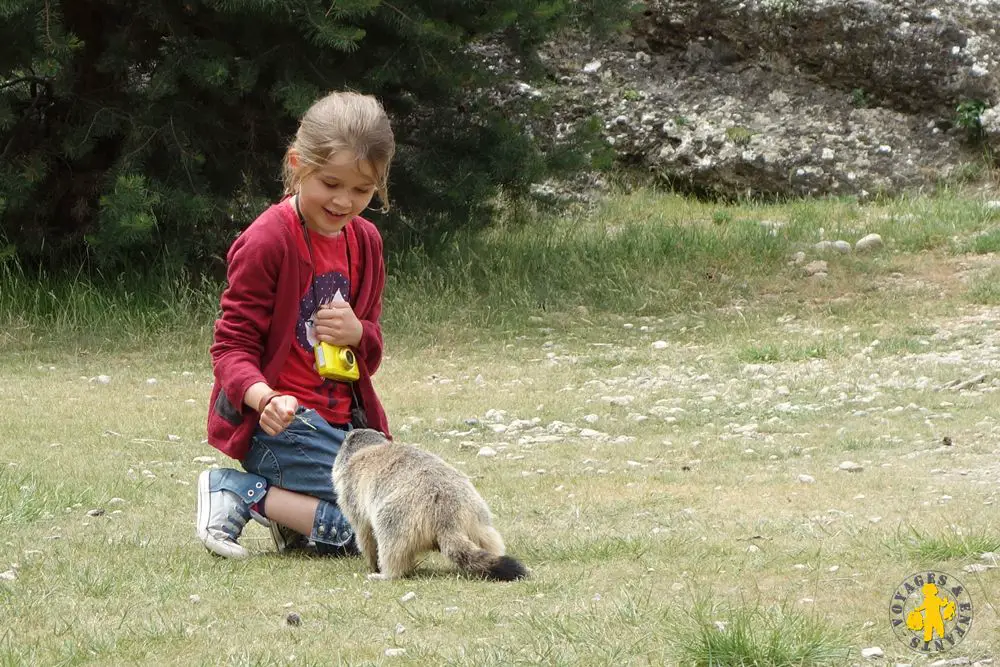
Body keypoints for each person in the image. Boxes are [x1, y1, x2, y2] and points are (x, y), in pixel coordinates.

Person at [195, 90, 394, 559]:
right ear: (297, 163)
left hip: (344, 424)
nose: (344, 201)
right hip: (280, 427)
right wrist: (264, 398)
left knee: (399, 504)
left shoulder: (366, 242)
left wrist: (359, 333)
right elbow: (230, 349)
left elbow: (372, 349)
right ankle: (239, 492)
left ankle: (295, 519)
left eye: (362, 190)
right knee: (372, 533)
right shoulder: (267, 241)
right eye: (330, 183)